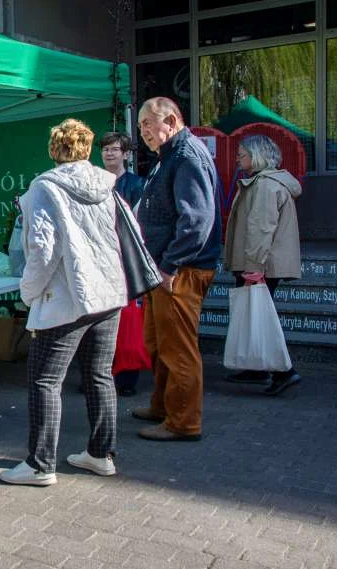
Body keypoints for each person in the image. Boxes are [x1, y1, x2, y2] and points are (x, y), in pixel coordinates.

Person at [0, 118, 127, 486]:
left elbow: (41, 249)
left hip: (67, 297)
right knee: (99, 375)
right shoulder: (107, 184)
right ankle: (100, 454)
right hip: (108, 293)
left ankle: (41, 465)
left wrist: (28, 292)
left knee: (45, 381)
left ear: (54, 149)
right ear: (87, 148)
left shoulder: (44, 187)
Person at [133, 97, 221, 442]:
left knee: (178, 348)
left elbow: (197, 220)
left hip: (179, 271)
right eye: (140, 126)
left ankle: (183, 422)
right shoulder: (169, 156)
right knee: (158, 343)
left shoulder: (185, 156)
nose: (143, 132)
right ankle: (163, 406)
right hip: (165, 270)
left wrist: (170, 266)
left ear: (170, 120)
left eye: (147, 124)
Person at [223, 135, 302, 395]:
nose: (238, 158)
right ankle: (257, 368)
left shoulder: (265, 185)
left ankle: (284, 372)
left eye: (242, 153)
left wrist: (255, 266)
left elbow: (261, 228)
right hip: (261, 262)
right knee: (255, 315)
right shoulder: (267, 182)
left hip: (259, 264)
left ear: (257, 156)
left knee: (261, 318)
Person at [100, 132, 145, 397]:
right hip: (100, 261)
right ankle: (100, 375)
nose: (109, 153)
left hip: (126, 261)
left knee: (128, 321)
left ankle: (127, 378)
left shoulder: (138, 185)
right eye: (105, 149)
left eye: (115, 149)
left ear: (126, 154)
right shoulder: (94, 183)